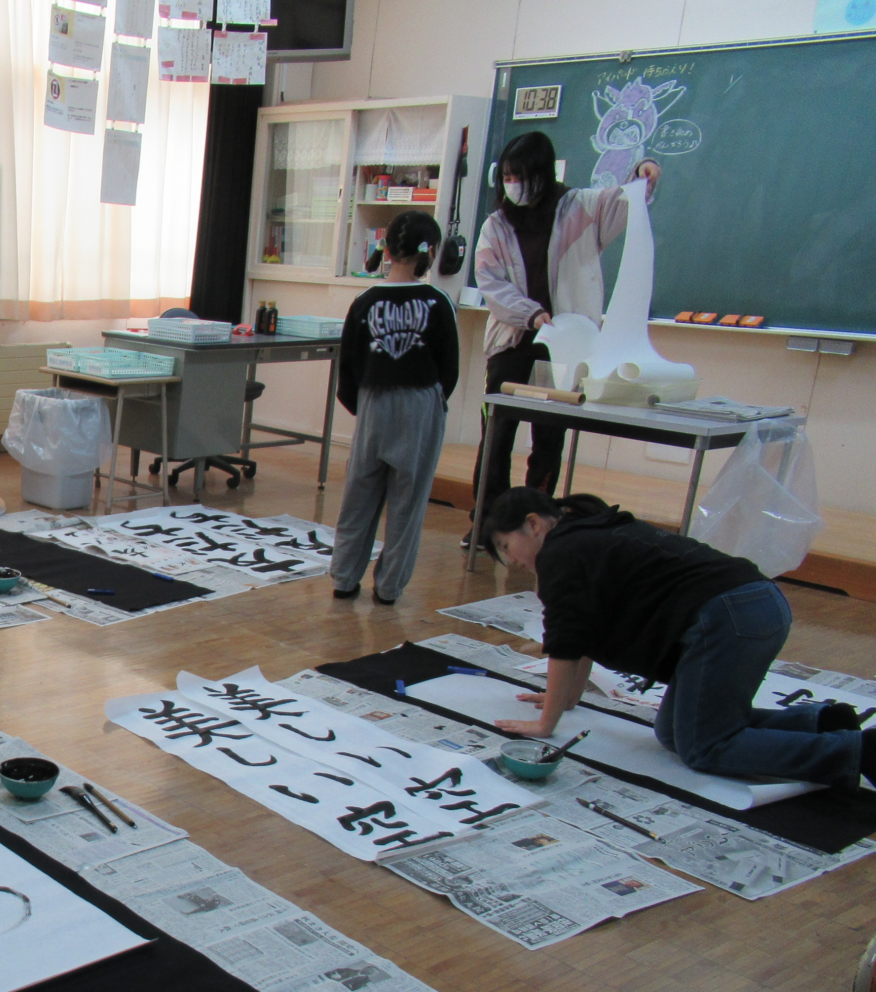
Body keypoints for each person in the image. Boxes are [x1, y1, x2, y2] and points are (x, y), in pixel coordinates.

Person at [480, 488, 874, 787]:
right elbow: (580, 634)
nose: (511, 558)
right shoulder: (582, 533)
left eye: (506, 545)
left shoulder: (562, 553)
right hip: (751, 604)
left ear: (533, 524)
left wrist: (546, 725)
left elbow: (565, 642)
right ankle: (818, 723)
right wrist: (563, 698)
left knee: (705, 746)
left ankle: (856, 753)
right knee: (673, 732)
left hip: (730, 616)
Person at [467, 132, 662, 541]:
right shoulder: (497, 225)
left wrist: (641, 177)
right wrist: (532, 315)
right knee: (497, 437)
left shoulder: (578, 208)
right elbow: (492, 283)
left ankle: (538, 528)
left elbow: (621, 201)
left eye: (520, 176)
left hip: (564, 351)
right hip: (512, 344)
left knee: (548, 440)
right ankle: (487, 525)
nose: (512, 184)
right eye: (506, 175)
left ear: (541, 175)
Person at [328, 210, 459, 605]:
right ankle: (389, 587)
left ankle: (344, 577)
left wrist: (362, 406)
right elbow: (449, 368)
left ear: (386, 249)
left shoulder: (365, 301)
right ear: (430, 252)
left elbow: (347, 364)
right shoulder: (438, 302)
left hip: (373, 402)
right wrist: (432, 403)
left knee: (359, 494)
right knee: (409, 500)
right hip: (420, 404)